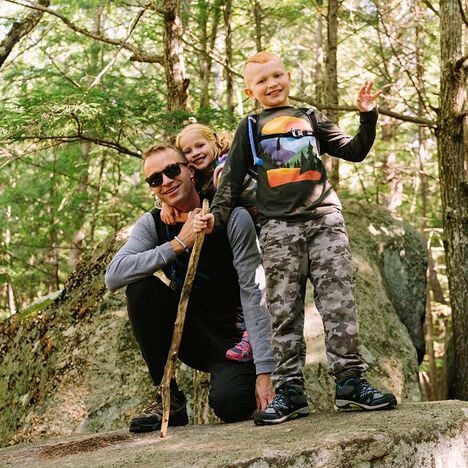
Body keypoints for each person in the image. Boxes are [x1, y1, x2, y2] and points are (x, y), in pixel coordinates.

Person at [194, 51, 397, 426]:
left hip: (324, 220)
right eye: (262, 81)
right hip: (278, 228)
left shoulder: (310, 117)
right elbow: (232, 180)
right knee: (283, 309)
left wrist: (367, 115)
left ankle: (350, 383)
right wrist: (215, 220)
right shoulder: (250, 126)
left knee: (339, 304)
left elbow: (355, 151)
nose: (272, 84)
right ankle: (290, 391)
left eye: (277, 76)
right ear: (249, 90)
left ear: (288, 76)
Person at [105, 144, 275, 433]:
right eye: (155, 179)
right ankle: (167, 397)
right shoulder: (153, 223)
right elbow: (114, 275)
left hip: (234, 343)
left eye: (172, 170)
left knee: (230, 404)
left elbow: (253, 290)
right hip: (189, 334)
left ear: (190, 172)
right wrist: (178, 244)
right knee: (140, 289)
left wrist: (265, 372)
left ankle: (238, 380)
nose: (166, 181)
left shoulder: (232, 218)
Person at [160, 123, 257, 362]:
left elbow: (222, 202)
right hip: (238, 228)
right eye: (188, 151)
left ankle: (252, 336)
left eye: (200, 145)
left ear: (214, 142)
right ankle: (245, 331)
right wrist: (165, 203)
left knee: (256, 279)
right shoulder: (203, 175)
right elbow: (183, 192)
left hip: (261, 224)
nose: (195, 153)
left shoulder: (225, 166)